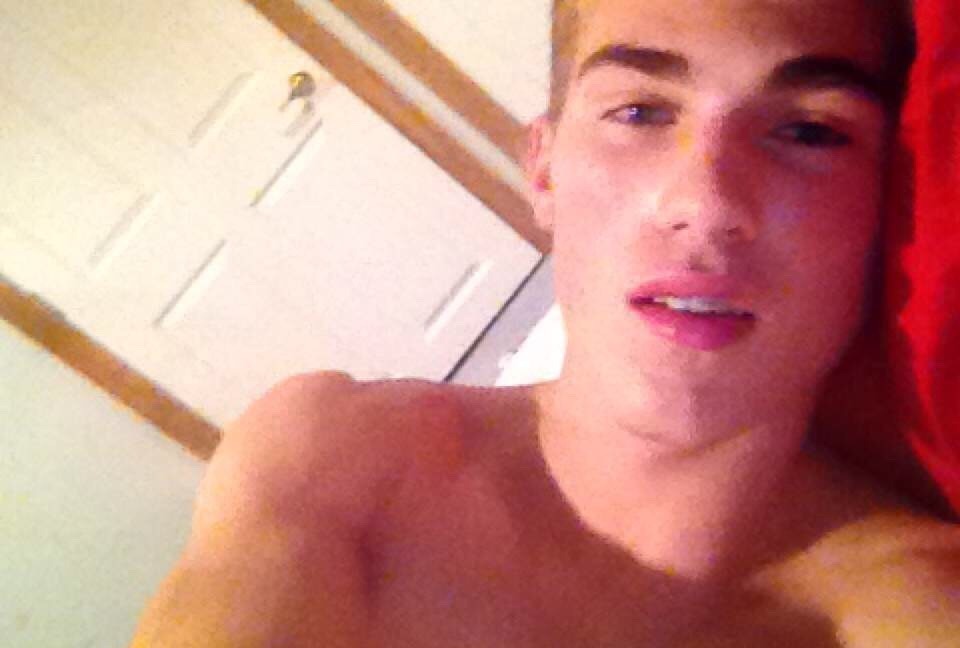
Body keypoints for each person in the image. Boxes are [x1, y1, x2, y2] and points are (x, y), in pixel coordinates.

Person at [131, 0, 960, 646]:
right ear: (542, 169)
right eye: (639, 112)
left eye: (810, 131)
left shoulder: (917, 603)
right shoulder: (332, 460)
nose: (705, 203)